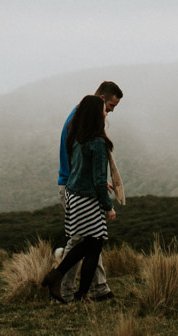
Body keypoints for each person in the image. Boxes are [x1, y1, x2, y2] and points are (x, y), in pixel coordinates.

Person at [42, 94, 116, 302]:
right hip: (87, 198)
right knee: (94, 243)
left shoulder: (76, 137)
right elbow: (100, 180)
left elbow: (80, 169)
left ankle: (71, 287)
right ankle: (71, 286)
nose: (107, 112)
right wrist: (108, 206)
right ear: (96, 113)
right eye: (104, 108)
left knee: (90, 244)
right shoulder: (98, 142)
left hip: (73, 195)